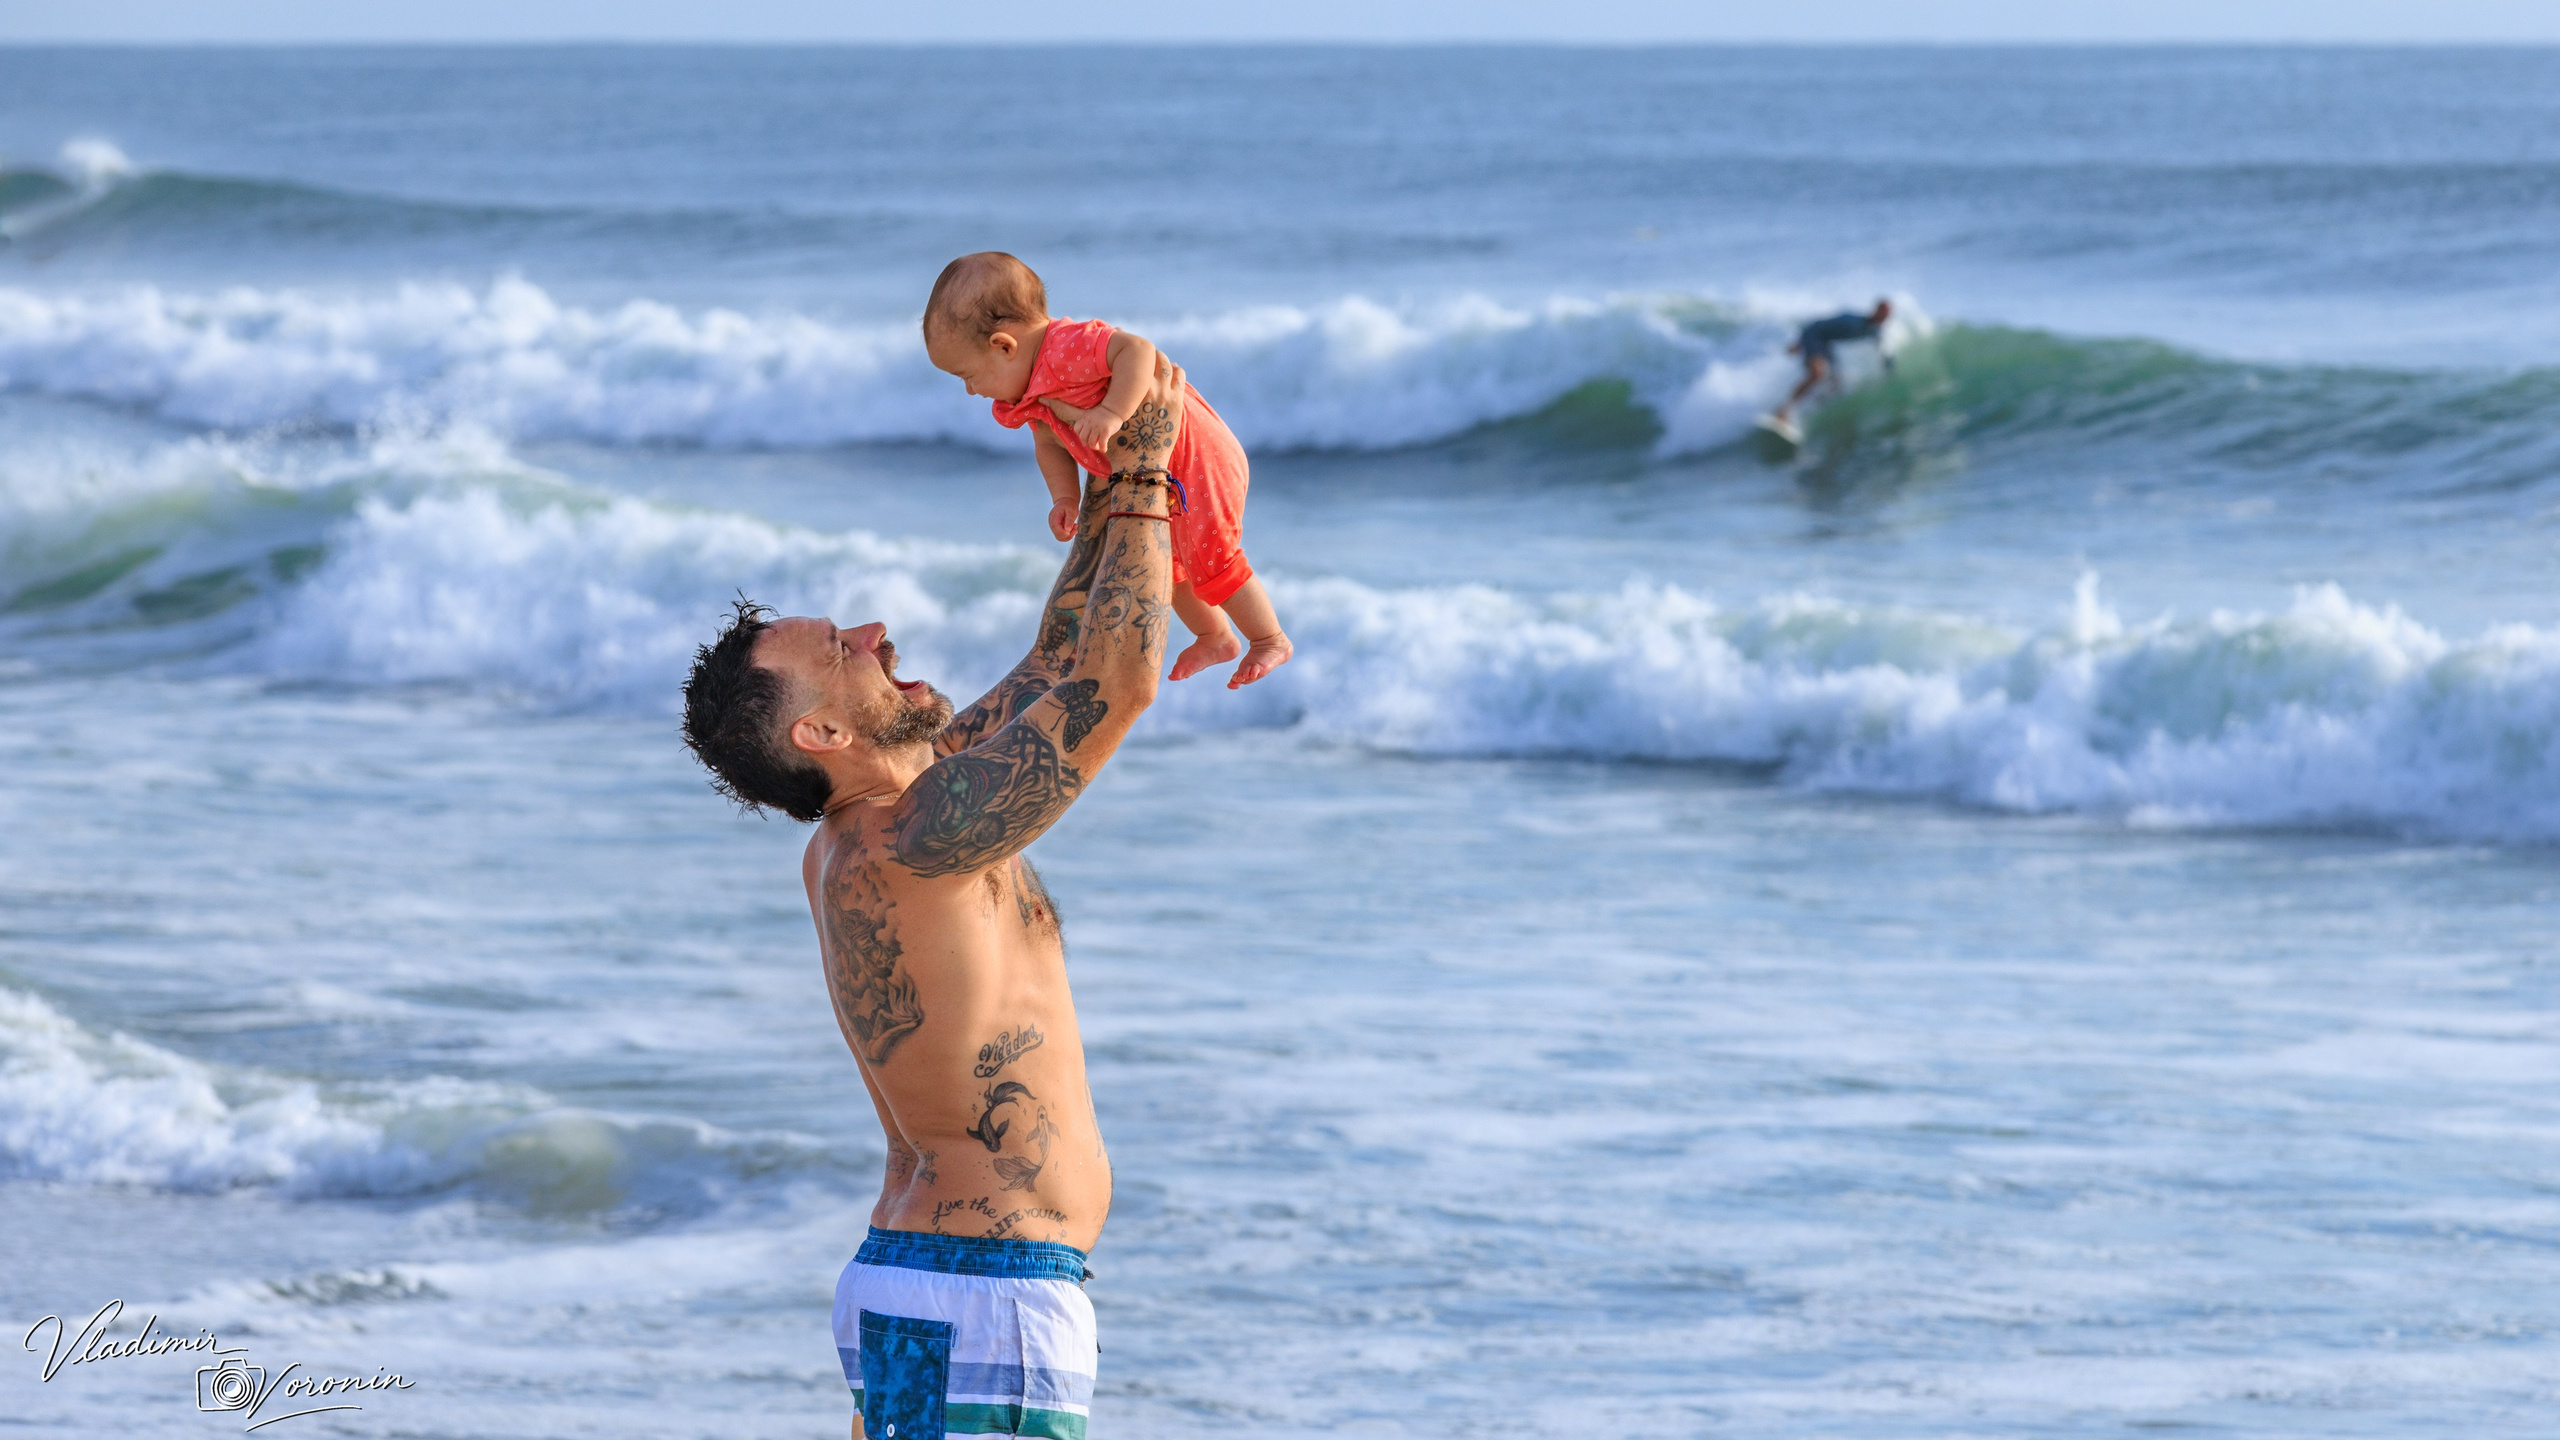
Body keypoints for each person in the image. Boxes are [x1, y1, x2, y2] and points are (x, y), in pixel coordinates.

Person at [679, 363, 1189, 1440]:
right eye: (841, 652)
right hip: (981, 1291)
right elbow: (1120, 684)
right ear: (822, 736)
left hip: (947, 1280)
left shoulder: (892, 813)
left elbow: (1063, 660)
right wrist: (1146, 470)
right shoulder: (911, 836)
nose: (871, 633)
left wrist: (1101, 481)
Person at [923, 251, 1292, 689]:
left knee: (1213, 557)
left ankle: (1269, 638)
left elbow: (1136, 350)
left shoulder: (1065, 346)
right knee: (1165, 562)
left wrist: (1113, 412)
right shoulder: (1029, 391)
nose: (970, 390)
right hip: (1157, 468)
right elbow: (1048, 444)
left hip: (1196, 454)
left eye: (968, 375)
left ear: (1004, 345)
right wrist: (1065, 497)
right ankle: (1215, 635)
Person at [1773, 298, 1894, 426]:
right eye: (1884, 312)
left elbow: (1882, 350)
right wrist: (1801, 343)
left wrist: (1888, 366)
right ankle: (1783, 410)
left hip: (1825, 343)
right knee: (1817, 374)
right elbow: (1817, 325)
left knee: (1837, 385)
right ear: (1876, 310)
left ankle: (1806, 411)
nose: (1885, 317)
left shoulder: (1874, 331)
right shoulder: (1852, 320)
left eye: (1888, 314)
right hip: (1814, 336)